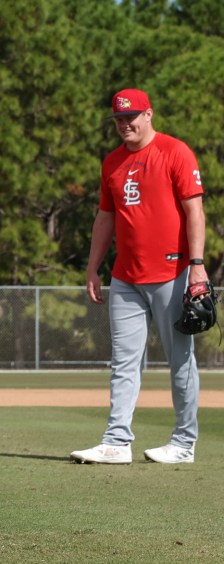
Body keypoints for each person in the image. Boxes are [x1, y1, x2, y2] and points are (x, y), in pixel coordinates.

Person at [71, 88, 206, 465]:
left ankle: (183, 442)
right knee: (124, 363)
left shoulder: (174, 151)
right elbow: (105, 218)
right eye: (118, 118)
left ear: (149, 115)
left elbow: (194, 211)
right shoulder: (112, 162)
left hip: (172, 271)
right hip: (126, 278)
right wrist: (93, 266)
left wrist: (197, 264)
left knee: (180, 360)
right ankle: (116, 441)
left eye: (132, 116)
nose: (125, 123)